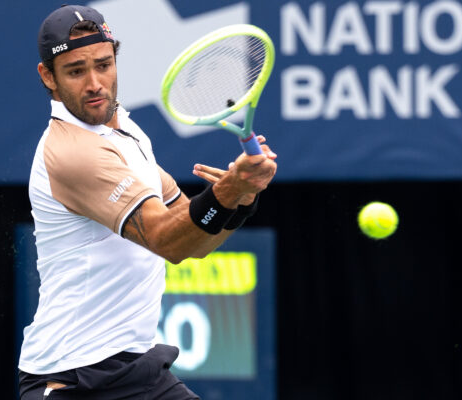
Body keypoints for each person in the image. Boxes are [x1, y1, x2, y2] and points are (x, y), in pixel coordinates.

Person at [18, 5, 277, 399]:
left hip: (138, 371)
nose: (94, 84)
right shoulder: (72, 152)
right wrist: (225, 193)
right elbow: (166, 240)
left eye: (103, 65)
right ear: (47, 78)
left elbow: (193, 239)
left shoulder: (126, 130)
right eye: (76, 71)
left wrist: (241, 198)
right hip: (73, 378)